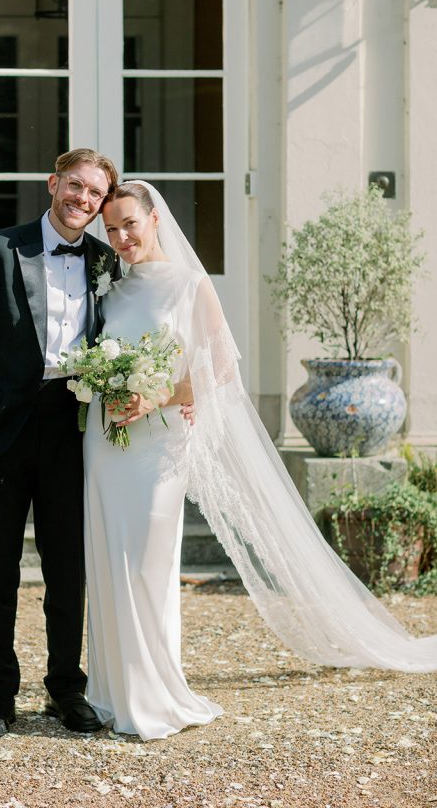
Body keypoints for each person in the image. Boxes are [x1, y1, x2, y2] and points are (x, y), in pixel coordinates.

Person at [82, 180, 437, 742]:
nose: (121, 236)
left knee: (147, 567)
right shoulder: (112, 292)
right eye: (112, 228)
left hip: (159, 446)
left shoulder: (191, 286)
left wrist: (158, 396)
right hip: (106, 444)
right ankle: (109, 692)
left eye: (130, 223)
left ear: (155, 220)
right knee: (106, 562)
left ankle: (152, 693)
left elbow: (221, 371)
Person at [0, 148, 120, 739]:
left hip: (71, 429)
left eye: (95, 194)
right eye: (75, 185)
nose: (83, 199)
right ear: (53, 183)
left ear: (101, 205)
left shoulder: (103, 261)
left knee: (67, 565)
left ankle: (66, 689)